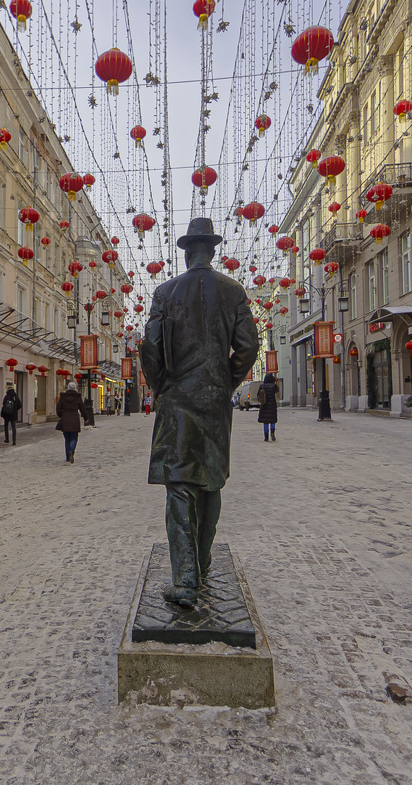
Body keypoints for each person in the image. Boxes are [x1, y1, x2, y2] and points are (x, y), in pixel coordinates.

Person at [141, 217, 259, 606]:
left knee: (180, 486)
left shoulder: (165, 291)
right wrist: (226, 382)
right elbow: (247, 347)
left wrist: (161, 388)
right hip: (215, 400)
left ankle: (186, 581)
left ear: (188, 250)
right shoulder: (234, 290)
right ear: (213, 250)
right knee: (211, 481)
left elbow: (151, 349)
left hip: (177, 399)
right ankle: (202, 564)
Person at [56, 383, 84, 463]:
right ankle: (71, 451)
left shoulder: (63, 397)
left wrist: (61, 415)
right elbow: (82, 408)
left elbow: (58, 409)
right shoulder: (78, 397)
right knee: (74, 438)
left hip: (65, 419)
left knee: (67, 439)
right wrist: (86, 418)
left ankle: (68, 457)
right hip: (74, 419)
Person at [257, 373, 279, 441]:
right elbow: (277, 391)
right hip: (272, 405)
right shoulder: (274, 386)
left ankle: (266, 437)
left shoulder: (262, 386)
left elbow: (258, 394)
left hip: (264, 405)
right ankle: (272, 433)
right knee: (272, 420)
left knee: (265, 422)